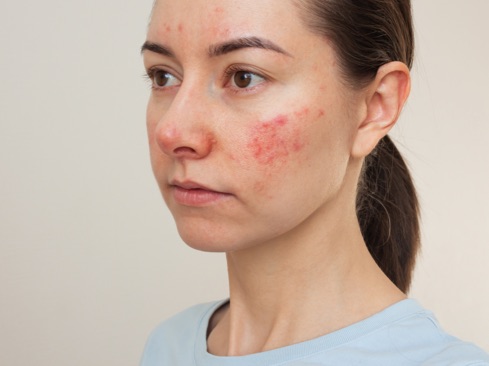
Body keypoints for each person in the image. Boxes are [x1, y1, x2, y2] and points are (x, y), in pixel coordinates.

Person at [139, 0, 489, 364]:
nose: (171, 131)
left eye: (244, 76)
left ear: (375, 107)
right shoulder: (168, 346)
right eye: (163, 76)